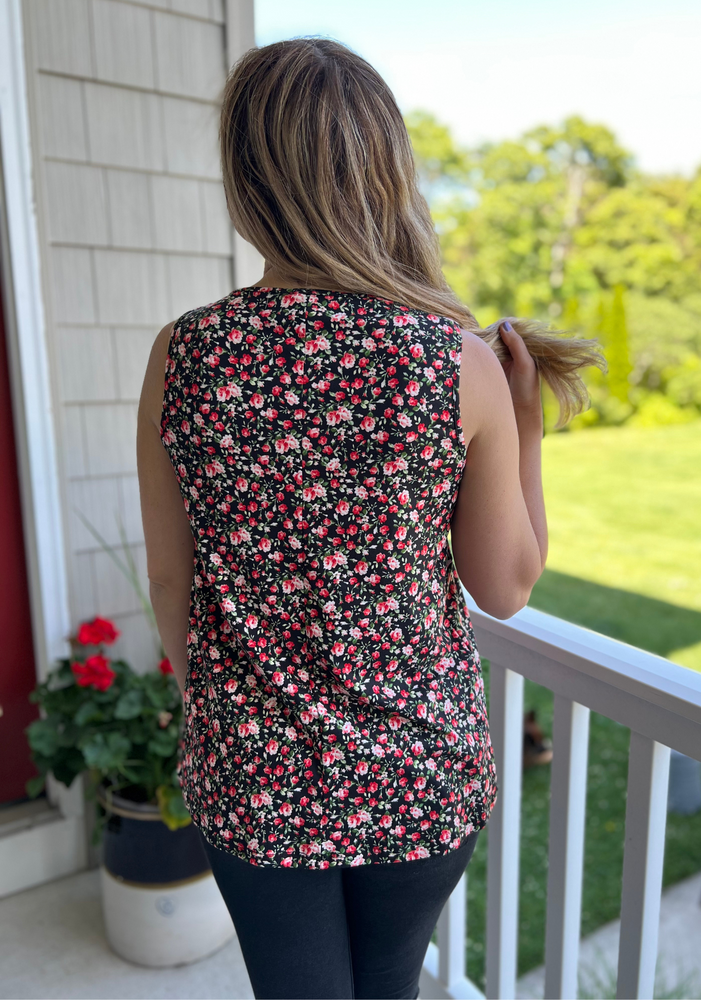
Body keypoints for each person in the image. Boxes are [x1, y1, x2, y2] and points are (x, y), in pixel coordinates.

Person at [137, 37, 597, 1000]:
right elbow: (507, 589)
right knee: (388, 986)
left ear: (248, 179)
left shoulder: (181, 356)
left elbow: (175, 594)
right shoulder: (451, 362)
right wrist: (523, 423)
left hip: (253, 768)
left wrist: (233, 707)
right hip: (415, 771)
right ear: (384, 171)